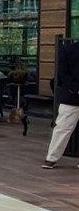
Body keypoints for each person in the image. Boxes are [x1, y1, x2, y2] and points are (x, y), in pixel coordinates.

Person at [42, 40, 79, 169]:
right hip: (71, 96)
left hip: (71, 94)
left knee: (63, 128)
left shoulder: (66, 50)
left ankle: (51, 159)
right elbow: (63, 74)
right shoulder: (67, 50)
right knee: (63, 127)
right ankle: (51, 158)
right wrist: (76, 88)